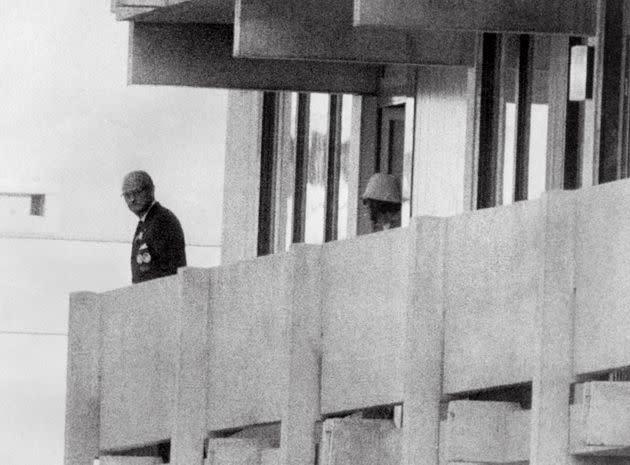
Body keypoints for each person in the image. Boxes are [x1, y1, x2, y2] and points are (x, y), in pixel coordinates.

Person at [121, 170, 187, 283]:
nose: (132, 199)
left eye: (136, 192)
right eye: (127, 195)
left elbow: (168, 273)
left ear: (151, 190)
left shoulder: (162, 220)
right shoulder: (145, 222)